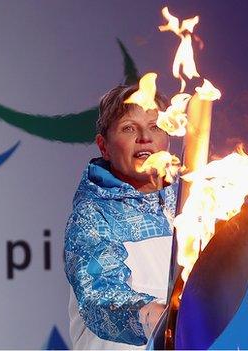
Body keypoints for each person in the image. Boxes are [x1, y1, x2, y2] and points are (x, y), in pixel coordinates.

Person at [64, 83, 177, 349]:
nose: (145, 137)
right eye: (129, 128)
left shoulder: (193, 206)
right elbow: (98, 296)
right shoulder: (94, 215)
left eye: (155, 126)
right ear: (104, 146)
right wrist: (151, 317)